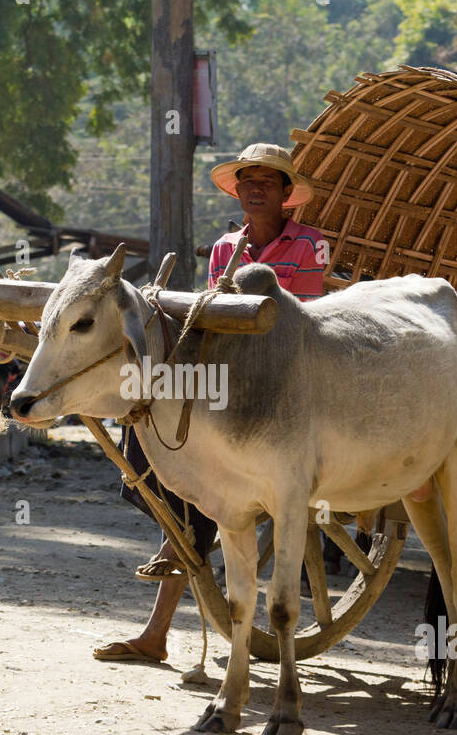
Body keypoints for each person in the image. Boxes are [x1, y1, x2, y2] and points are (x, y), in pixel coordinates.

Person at [93, 143, 328, 662]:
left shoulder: (311, 246)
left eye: (269, 181)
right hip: (225, 379)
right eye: (248, 180)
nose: (256, 188)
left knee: (200, 483)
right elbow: (209, 321)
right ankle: (177, 528)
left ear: (288, 194)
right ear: (238, 190)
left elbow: (304, 326)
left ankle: (158, 626)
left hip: (283, 386)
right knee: (145, 414)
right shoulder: (226, 248)